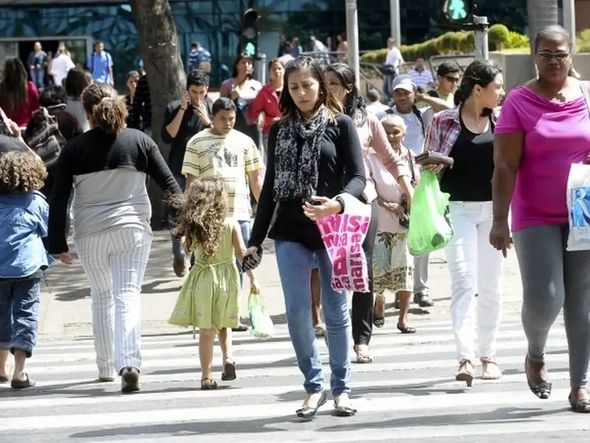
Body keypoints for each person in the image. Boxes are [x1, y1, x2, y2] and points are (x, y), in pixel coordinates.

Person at [244, 56, 366, 417]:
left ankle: (341, 388)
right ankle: (313, 386)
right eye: (293, 87)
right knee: (298, 312)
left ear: (321, 85)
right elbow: (268, 191)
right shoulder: (280, 129)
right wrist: (255, 240)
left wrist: (338, 204)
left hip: (333, 228)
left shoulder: (341, 125)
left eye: (307, 85)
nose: (300, 92)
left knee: (335, 311)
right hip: (291, 231)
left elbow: (359, 178)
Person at [47, 83, 181, 393]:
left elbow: (59, 198)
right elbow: (171, 187)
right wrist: (188, 225)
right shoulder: (140, 141)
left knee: (102, 296)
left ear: (89, 113)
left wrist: (57, 242)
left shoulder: (74, 149)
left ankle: (106, 367)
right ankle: (129, 363)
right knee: (127, 294)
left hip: (90, 234)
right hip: (132, 231)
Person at [491, 25, 590, 413]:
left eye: (560, 54)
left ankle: (580, 384)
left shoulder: (587, 97)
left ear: (571, 55)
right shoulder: (519, 101)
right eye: (546, 54)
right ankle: (535, 353)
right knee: (547, 296)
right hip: (534, 214)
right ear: (535, 55)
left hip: (582, 213)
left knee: (582, 300)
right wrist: (500, 220)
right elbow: (504, 165)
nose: (554, 61)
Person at [325, 63, 413, 363]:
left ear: (349, 88)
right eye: (325, 83)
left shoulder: (367, 121)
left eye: (335, 84)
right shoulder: (315, 118)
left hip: (363, 201)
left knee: (362, 270)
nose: (329, 89)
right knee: (331, 269)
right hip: (327, 204)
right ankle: (333, 328)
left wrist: (407, 188)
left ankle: (361, 339)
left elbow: (390, 158)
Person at [425, 59, 505, 386]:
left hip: (495, 212)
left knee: (491, 285)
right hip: (456, 209)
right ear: (477, 89)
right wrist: (434, 164)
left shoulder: (502, 121)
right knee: (463, 281)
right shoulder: (444, 120)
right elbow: (428, 164)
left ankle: (488, 354)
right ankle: (466, 357)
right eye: (497, 87)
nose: (501, 92)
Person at [182, 97, 265, 332]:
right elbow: (190, 181)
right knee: (207, 263)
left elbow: (255, 179)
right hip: (208, 215)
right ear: (213, 117)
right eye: (222, 119)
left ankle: (232, 313)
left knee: (239, 262)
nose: (227, 123)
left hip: (239, 211)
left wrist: (265, 212)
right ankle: (204, 311)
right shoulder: (197, 142)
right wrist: (190, 216)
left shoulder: (245, 142)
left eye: (231, 119)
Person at [169, 177, 260, 389]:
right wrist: (254, 279)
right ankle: (228, 358)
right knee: (224, 322)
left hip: (202, 279)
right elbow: (241, 255)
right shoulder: (230, 223)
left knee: (207, 330)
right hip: (227, 280)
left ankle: (206, 376)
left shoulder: (195, 226)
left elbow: (188, 248)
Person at [378, 75, 435, 308]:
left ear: (413, 93)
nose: (401, 96)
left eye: (406, 92)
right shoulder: (382, 116)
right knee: (392, 238)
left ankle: (421, 289)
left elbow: (449, 107)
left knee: (420, 238)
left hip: (418, 180)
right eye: (398, 92)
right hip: (388, 181)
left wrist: (422, 97)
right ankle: (397, 291)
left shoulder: (423, 115)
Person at [0, 150, 51, 389]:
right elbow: (44, 231)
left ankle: (1, 368)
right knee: (26, 315)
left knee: (1, 316)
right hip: (27, 266)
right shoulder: (37, 201)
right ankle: (19, 372)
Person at [162, 69, 214, 277]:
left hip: (203, 170)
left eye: (202, 92)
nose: (198, 97)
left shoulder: (210, 108)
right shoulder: (174, 107)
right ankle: (179, 252)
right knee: (178, 213)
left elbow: (219, 135)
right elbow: (168, 136)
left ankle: (195, 260)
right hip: (178, 167)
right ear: (186, 91)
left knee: (201, 214)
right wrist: (182, 110)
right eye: (194, 92)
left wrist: (207, 121)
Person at [370, 115, 417, 334]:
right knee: (379, 272)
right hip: (379, 223)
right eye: (386, 132)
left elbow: (417, 186)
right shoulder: (371, 158)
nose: (391, 136)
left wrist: (409, 199)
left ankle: (403, 318)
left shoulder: (411, 158)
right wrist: (385, 204)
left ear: (404, 133)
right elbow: (366, 188)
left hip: (404, 226)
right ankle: (379, 301)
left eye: (395, 132)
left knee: (405, 270)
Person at [24, 85, 83, 197]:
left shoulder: (36, 118)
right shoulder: (69, 116)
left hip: (43, 171)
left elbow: (27, 142)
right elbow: (80, 141)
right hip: (65, 170)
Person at [219, 53, 262, 144]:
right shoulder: (226, 84)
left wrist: (261, 115)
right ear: (237, 65)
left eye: (249, 63)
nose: (246, 65)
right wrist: (231, 98)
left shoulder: (257, 85)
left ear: (252, 67)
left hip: (252, 127)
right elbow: (220, 107)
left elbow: (262, 106)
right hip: (233, 127)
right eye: (243, 62)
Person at [248, 58, 284, 158]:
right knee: (272, 163)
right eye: (274, 69)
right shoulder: (264, 91)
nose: (277, 71)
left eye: (279, 68)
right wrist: (270, 120)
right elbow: (253, 114)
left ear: (284, 70)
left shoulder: (290, 89)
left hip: (289, 132)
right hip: (269, 133)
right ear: (269, 72)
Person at [0, 58, 40, 128]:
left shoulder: (1, 88)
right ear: (22, 71)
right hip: (27, 128)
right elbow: (37, 110)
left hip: (7, 129)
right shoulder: (30, 87)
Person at [383, 38, 404, 102]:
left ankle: (394, 101)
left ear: (393, 44)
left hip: (392, 71)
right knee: (385, 88)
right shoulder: (389, 51)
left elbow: (400, 60)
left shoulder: (396, 51)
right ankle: (391, 100)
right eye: (388, 43)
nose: (388, 44)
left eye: (390, 43)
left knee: (391, 89)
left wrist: (394, 67)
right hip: (387, 71)